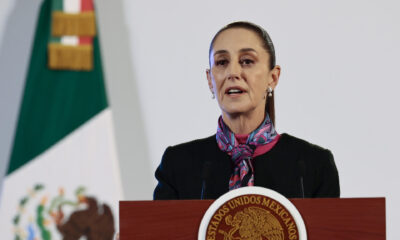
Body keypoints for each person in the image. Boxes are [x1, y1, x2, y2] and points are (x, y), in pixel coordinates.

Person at [153, 21, 340, 200]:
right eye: (222, 62)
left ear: (273, 77)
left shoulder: (313, 165)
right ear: (210, 80)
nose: (232, 72)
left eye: (247, 61)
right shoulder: (177, 165)